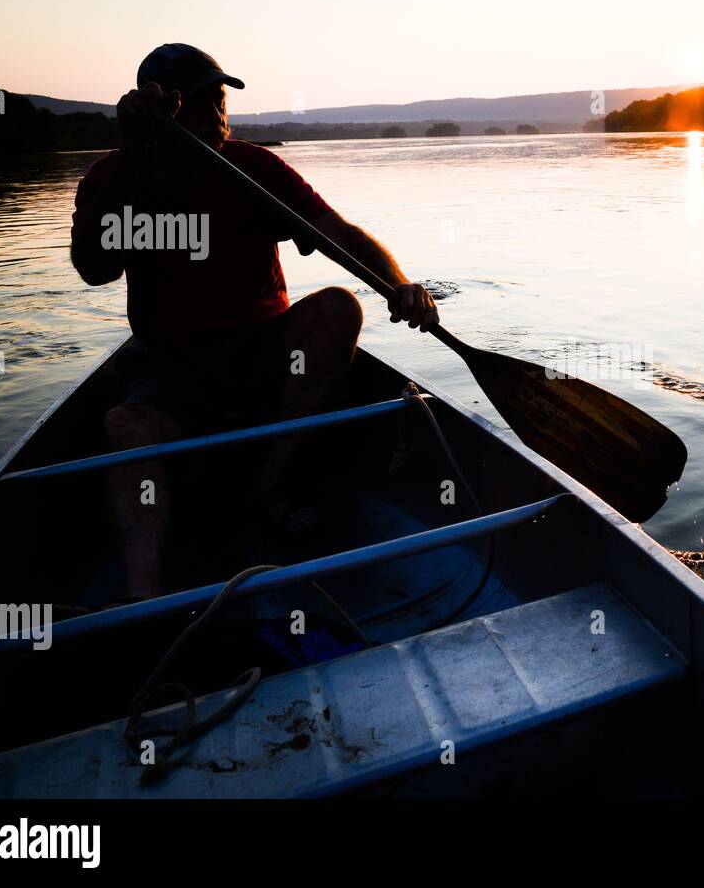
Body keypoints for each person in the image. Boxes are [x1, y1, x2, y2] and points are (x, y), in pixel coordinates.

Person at [70, 43, 438, 601]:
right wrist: (136, 152)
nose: (219, 111)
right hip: (174, 364)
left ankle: (269, 483)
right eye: (199, 100)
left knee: (339, 305)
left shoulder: (255, 168)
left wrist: (400, 283)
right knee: (124, 428)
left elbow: (337, 234)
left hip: (266, 349)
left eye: (220, 97)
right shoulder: (115, 177)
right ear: (161, 109)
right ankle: (144, 602)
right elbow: (95, 268)